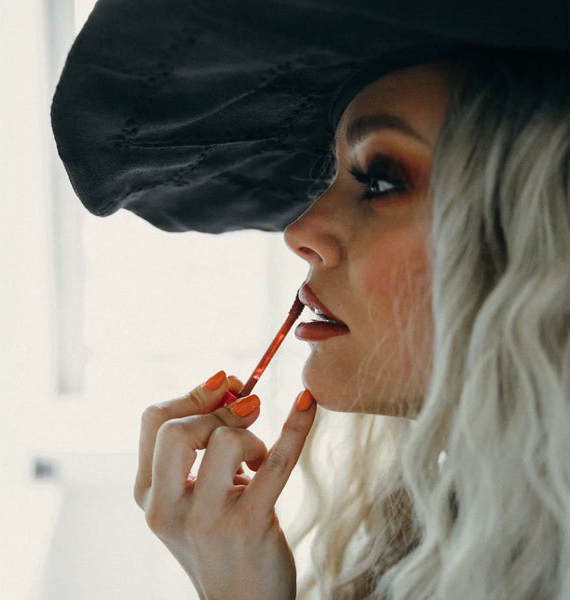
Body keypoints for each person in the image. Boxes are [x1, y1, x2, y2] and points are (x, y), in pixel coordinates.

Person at [51, 2, 569, 599]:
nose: (299, 233)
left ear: (540, 232)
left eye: (378, 179)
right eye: (333, 176)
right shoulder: (453, 544)